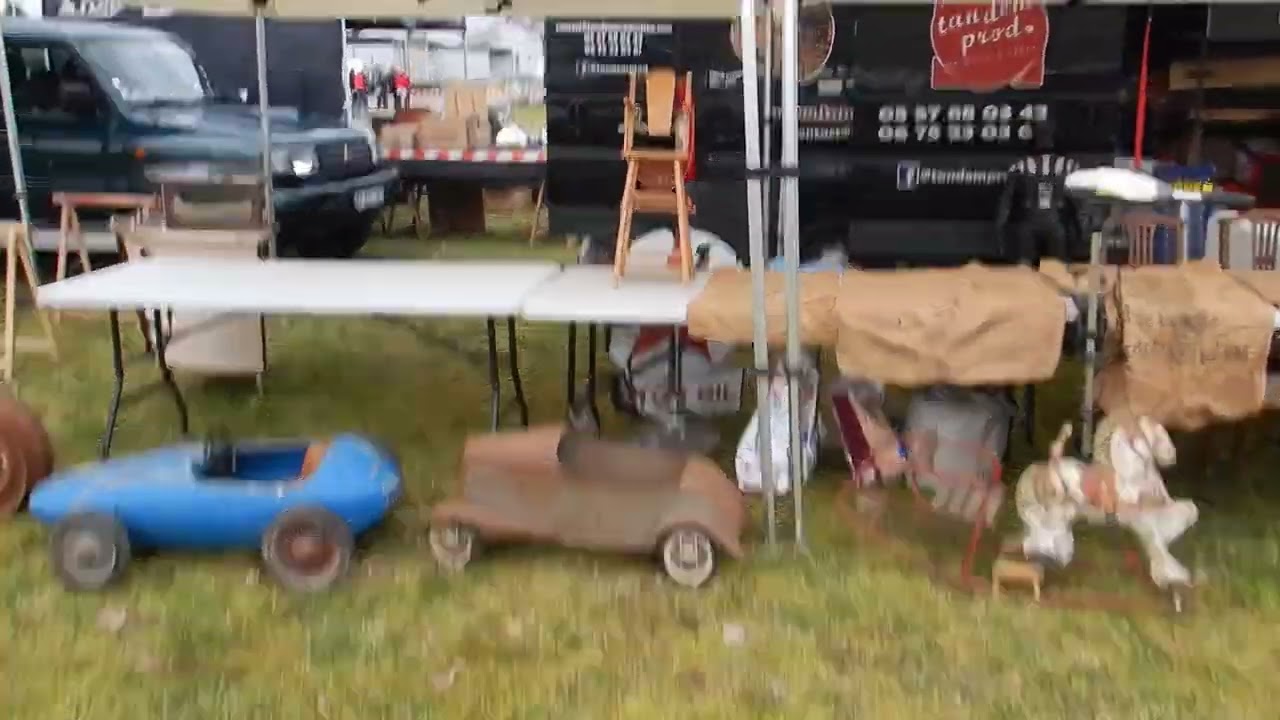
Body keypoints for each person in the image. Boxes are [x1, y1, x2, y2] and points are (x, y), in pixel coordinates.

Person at [995, 123, 1082, 268]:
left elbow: (1006, 202)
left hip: (1030, 221)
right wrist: (1080, 233)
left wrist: (1000, 229)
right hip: (1056, 223)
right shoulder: (1069, 165)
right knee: (1056, 267)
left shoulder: (1020, 165)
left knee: (1025, 266)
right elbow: (1079, 205)